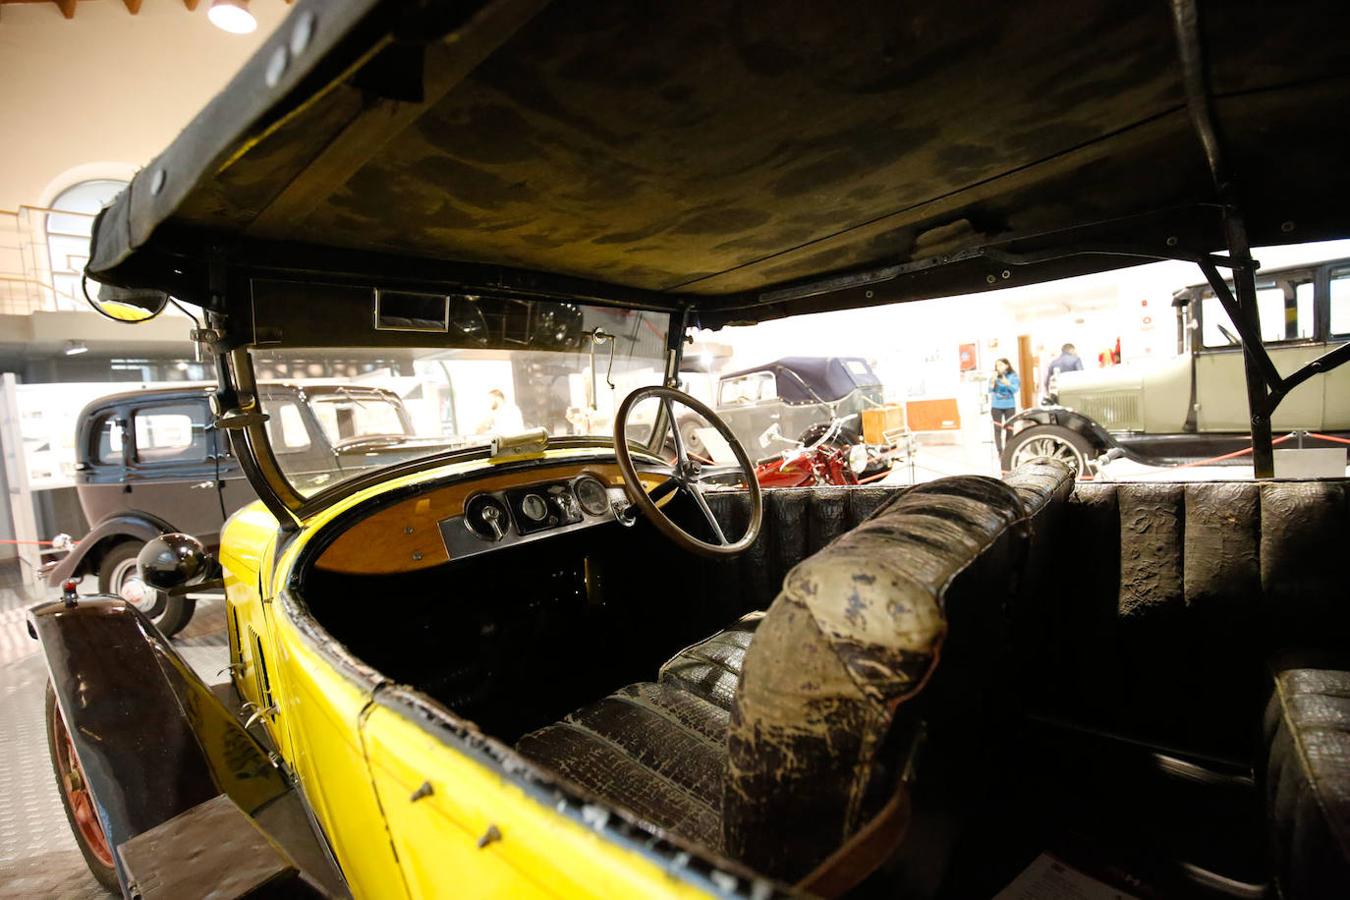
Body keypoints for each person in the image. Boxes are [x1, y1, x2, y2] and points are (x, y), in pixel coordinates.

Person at [989, 358, 1020, 458]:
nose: (999, 367)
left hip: (1009, 405)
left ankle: (1008, 451)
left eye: (1001, 365)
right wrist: (993, 381)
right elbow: (990, 390)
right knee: (997, 429)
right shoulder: (994, 376)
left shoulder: (1013, 376)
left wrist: (1007, 383)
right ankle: (1000, 452)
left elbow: (1015, 390)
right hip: (996, 405)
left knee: (1009, 429)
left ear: (1007, 365)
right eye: (997, 365)